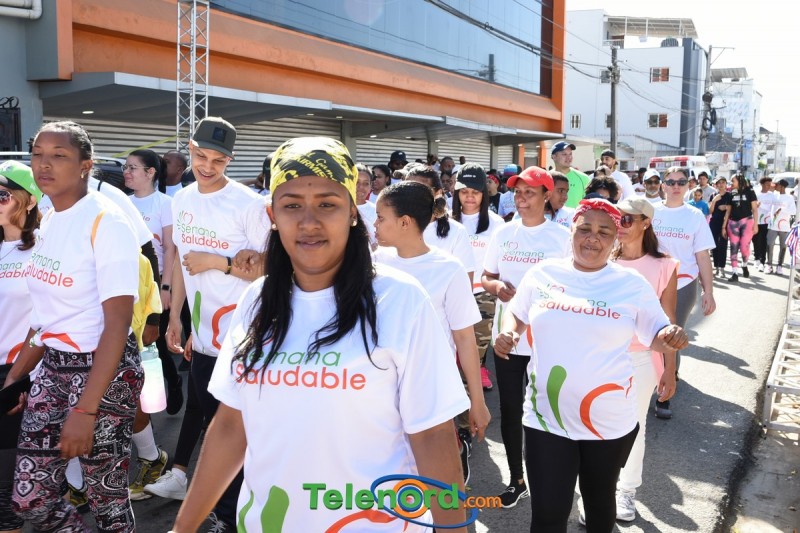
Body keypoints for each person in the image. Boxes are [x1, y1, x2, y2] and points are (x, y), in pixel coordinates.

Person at [171, 136, 470, 532]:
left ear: (352, 212)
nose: (309, 222)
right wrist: (183, 527)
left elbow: (432, 435)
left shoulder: (401, 300)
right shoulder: (256, 300)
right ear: (272, 214)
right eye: (292, 205)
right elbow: (231, 425)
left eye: (327, 204)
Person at [495, 198, 688, 532]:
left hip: (607, 420)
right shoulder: (543, 273)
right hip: (546, 416)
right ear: (571, 229)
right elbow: (517, 312)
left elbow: (656, 334)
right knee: (548, 515)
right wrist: (510, 332)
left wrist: (670, 336)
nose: (592, 238)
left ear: (615, 238)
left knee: (599, 508)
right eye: (585, 229)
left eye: (603, 232)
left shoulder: (631, 284)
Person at [6, 120, 142, 531]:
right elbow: (43, 318)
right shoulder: (49, 219)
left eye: (59, 156)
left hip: (104, 370)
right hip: (53, 366)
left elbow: (117, 325)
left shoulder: (106, 222)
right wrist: (15, 378)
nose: (44, 165)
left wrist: (86, 409)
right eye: (37, 155)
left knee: (106, 501)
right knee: (29, 499)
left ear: (86, 164)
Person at [155, 117, 266, 530]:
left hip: (244, 340)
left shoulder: (248, 204)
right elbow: (182, 262)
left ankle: (234, 516)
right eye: (201, 156)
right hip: (202, 339)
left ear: (230, 161)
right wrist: (175, 317)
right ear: (190, 148)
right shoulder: (182, 199)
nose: (207, 166)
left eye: (218, 160)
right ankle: (226, 511)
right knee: (215, 428)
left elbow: (271, 269)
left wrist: (218, 262)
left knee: (237, 434)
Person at [374, 180, 490, 485]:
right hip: (381, 387)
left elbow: (465, 338)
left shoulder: (448, 268)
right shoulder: (374, 263)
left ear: (405, 222)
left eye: (381, 218)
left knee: (438, 481)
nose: (375, 225)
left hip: (431, 388)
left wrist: (477, 402)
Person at [481, 166, 570, 508]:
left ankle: (548, 476)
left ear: (547, 196)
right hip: (506, 337)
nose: (521, 198)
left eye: (529, 192)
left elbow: (574, 284)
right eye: (517, 192)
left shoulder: (561, 237)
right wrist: (496, 287)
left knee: (546, 409)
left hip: (548, 340)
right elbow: (487, 276)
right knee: (510, 409)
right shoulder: (504, 232)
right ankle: (517, 479)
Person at [611, 197, 679, 522]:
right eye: (617, 218)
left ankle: (626, 490)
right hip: (601, 355)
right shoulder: (603, 259)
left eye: (627, 219)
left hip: (642, 358)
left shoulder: (665, 265)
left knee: (634, 426)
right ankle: (597, 491)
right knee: (593, 424)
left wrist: (670, 370)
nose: (619, 225)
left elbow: (669, 322)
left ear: (645, 222)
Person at [123, 149, 182, 501]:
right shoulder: (124, 203)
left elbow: (170, 250)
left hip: (155, 286)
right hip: (129, 291)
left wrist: (166, 287)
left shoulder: (165, 204)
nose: (127, 172)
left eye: (133, 168)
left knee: (154, 349)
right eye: (126, 167)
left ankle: (170, 386)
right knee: (148, 354)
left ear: (151, 172)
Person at [651, 167, 716, 419]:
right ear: (663, 186)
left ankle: (665, 393)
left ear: (688, 186)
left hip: (683, 284)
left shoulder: (694, 216)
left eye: (681, 182)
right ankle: (646, 382)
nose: (676, 186)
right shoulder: (651, 212)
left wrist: (708, 292)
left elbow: (702, 255)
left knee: (671, 337)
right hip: (652, 283)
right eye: (671, 182)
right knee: (647, 335)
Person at [0, 161, 41, 533]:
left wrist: (25, 378)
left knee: (5, 494)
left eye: (2, 195)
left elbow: (45, 323)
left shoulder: (42, 250)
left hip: (16, 375)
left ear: (29, 201)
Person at [451, 164, 506, 393]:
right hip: (450, 295)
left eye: (475, 192)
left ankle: (469, 399)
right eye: (464, 191)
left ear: (484, 193)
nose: (470, 197)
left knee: (475, 350)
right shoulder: (444, 220)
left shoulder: (497, 224)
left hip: (483, 296)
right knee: (448, 350)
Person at [404, 164, 475, 282]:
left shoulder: (456, 232)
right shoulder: (395, 227)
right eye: (407, 190)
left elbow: (466, 281)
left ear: (438, 193)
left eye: (420, 191)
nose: (412, 197)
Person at [721, 174, 759, 282]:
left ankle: (744, 264)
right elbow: (728, 211)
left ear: (740, 181)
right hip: (733, 223)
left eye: (733, 181)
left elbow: (754, 209)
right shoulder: (731, 193)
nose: (731, 183)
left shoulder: (750, 191)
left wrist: (756, 224)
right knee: (733, 247)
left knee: (744, 247)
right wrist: (724, 227)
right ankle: (734, 273)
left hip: (747, 222)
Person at [766, 179, 796, 275]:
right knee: (769, 244)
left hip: (784, 226)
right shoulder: (774, 196)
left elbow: (793, 211)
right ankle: (769, 265)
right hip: (773, 225)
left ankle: (779, 266)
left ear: (782, 186)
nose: (775, 186)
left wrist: (782, 210)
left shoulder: (789, 198)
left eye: (777, 185)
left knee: (783, 246)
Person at [550, 141, 588, 208]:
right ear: (554, 157)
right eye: (564, 154)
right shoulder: (546, 177)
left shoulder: (584, 178)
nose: (569, 157)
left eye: (570, 154)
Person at [708, 177, 730, 277]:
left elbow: (730, 210)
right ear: (716, 185)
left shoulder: (729, 196)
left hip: (725, 223)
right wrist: (714, 201)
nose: (721, 185)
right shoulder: (713, 195)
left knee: (723, 245)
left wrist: (726, 207)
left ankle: (722, 268)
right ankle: (716, 267)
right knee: (714, 245)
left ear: (726, 184)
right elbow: (710, 211)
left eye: (723, 182)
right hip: (714, 223)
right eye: (719, 183)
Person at [754, 176, 776, 271]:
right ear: (762, 184)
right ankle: (756, 258)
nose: (769, 186)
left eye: (770, 184)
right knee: (755, 240)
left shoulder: (772, 195)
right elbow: (752, 207)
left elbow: (772, 208)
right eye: (767, 184)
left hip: (766, 222)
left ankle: (762, 261)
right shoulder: (756, 194)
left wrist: (761, 205)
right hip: (756, 221)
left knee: (763, 241)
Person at [355, 163, 377, 248]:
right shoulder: (341, 209)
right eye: (357, 182)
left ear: (371, 186)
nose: (361, 187)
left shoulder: (376, 211)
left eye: (366, 183)